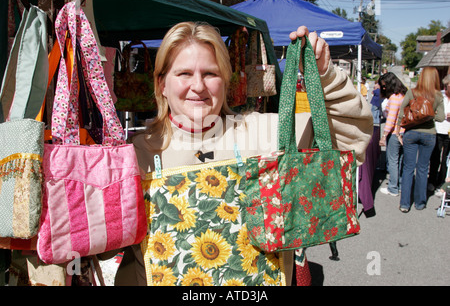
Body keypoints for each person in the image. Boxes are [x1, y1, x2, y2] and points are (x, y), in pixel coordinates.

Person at [115, 22, 373, 286]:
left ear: (226, 81)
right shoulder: (133, 156)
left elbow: (349, 134)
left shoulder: (262, 133)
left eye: (210, 73)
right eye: (183, 73)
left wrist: (325, 76)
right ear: (162, 85)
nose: (198, 86)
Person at [397, 67, 445, 212]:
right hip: (429, 134)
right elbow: (441, 117)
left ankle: (405, 204)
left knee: (408, 168)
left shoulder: (412, 92)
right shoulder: (437, 96)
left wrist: (399, 129)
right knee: (423, 169)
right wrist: (431, 114)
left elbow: (401, 110)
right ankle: (420, 202)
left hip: (411, 132)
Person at [379, 73, 407, 197]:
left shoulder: (394, 98)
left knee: (393, 161)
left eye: (385, 86)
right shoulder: (403, 95)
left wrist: (384, 135)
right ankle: (399, 184)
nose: (384, 88)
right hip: (404, 132)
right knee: (400, 160)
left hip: (395, 133)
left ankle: (393, 188)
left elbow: (391, 119)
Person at [428, 74, 450, 192]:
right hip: (438, 129)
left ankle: (442, 183)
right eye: (445, 86)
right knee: (435, 156)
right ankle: (432, 180)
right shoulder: (439, 96)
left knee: (445, 159)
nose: (446, 89)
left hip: (449, 132)